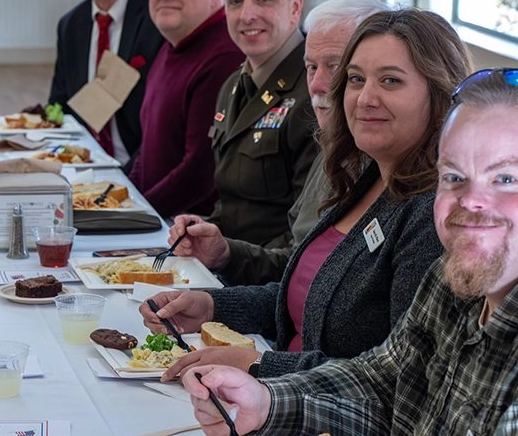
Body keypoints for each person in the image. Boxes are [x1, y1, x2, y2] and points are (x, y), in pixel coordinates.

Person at [184, 67, 518, 436]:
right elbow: (384, 383)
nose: (470, 201)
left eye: (506, 179)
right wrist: (266, 402)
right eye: (453, 177)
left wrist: (261, 369)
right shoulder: (448, 279)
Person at [141, 8, 470, 380]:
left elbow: (401, 377)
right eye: (356, 79)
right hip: (280, 392)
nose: (365, 98)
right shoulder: (366, 177)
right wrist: (212, 306)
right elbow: (311, 299)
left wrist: (257, 365)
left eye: (391, 81)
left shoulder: (432, 214)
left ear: (440, 92)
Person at [173, 0, 388, 285]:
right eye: (311, 67)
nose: (316, 84)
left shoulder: (387, 168)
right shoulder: (335, 147)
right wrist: (225, 254)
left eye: (335, 66)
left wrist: (221, 298)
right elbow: (296, 261)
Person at [202, 0, 319, 248]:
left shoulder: (313, 92)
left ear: (295, 7)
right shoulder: (232, 86)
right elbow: (233, 203)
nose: (247, 15)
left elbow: (307, 235)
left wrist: (229, 256)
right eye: (235, 1)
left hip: (270, 271)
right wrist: (204, 231)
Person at [126, 0, 242, 218]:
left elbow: (199, 172)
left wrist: (136, 215)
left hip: (191, 226)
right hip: (159, 213)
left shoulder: (223, 56)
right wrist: (123, 196)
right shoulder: (172, 45)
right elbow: (149, 147)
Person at [48, 0, 164, 167]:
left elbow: (167, 126)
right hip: (81, 164)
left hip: (140, 167)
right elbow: (60, 106)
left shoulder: (159, 17)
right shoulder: (70, 25)